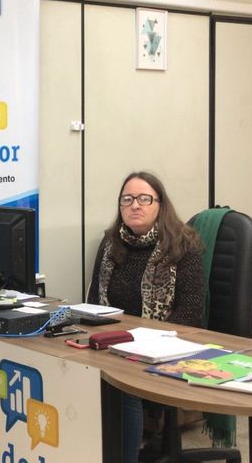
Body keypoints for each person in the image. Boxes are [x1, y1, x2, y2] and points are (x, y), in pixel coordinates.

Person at [87, 171, 204, 463]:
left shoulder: (183, 244)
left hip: (167, 344)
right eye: (127, 199)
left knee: (120, 382)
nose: (135, 205)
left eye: (144, 199)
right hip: (117, 342)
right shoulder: (110, 243)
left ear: (160, 205)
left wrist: (144, 343)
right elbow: (94, 302)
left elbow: (190, 313)